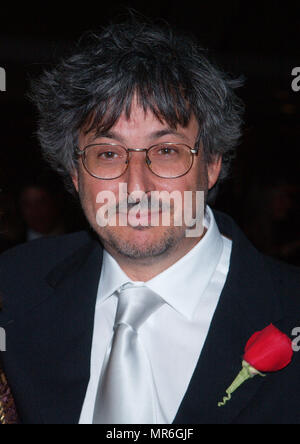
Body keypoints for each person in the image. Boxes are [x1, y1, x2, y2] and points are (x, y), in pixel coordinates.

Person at [0, 16, 299, 425]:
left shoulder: (289, 307)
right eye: (107, 154)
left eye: (165, 151)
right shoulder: (12, 289)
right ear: (74, 174)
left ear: (211, 163)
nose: (136, 186)